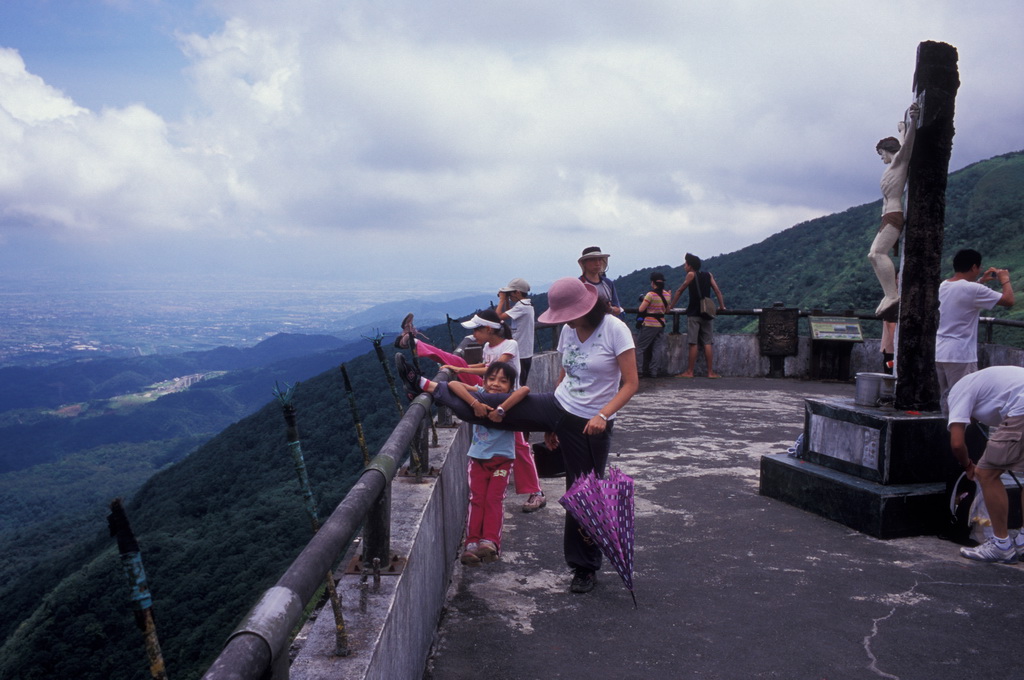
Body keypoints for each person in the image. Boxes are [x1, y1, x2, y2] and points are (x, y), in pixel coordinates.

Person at [398, 277, 638, 594]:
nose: (564, 319)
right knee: (494, 405)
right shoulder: (568, 330)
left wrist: (603, 415)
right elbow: (564, 375)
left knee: (584, 494)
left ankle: (584, 568)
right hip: (559, 405)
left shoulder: (614, 330)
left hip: (592, 423)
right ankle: (428, 386)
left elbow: (632, 383)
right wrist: (551, 423)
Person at [396, 309, 546, 512]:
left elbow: (492, 370)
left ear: (488, 329)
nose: (474, 335)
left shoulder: (510, 345)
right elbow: (484, 365)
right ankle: (415, 349)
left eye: (477, 330)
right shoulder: (487, 346)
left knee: (519, 445)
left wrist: (461, 370)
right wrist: (454, 367)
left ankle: (536, 492)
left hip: (509, 401)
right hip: (488, 393)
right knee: (456, 363)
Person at [433, 361, 531, 566]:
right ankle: (472, 544)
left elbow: (525, 389)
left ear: (510, 386)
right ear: (484, 381)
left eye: (503, 381)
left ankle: (490, 542)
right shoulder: (479, 393)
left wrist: (502, 410)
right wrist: (474, 403)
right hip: (477, 460)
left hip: (502, 461)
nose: (496, 384)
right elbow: (453, 385)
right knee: (476, 499)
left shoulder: (510, 399)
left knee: (493, 499)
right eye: (491, 379)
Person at [946, 365, 1024, 563]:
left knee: (986, 473)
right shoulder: (980, 384)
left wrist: (968, 466)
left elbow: (956, 443)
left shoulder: (957, 393)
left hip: (1021, 407)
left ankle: (1001, 545)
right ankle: (1023, 541)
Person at [935, 249, 1015, 415]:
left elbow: (963, 293)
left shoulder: (944, 285)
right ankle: (961, 438)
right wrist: (1005, 280)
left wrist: (981, 281)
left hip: (939, 351)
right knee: (965, 402)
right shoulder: (973, 290)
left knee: (944, 400)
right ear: (973, 267)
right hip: (961, 354)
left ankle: (945, 436)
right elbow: (1008, 300)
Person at [868, 102, 920, 320]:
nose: (882, 158)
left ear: (888, 151)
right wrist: (902, 129)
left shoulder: (898, 162)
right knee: (873, 255)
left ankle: (892, 295)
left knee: (877, 253)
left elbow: (906, 148)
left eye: (882, 153)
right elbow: (902, 145)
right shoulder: (893, 166)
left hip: (894, 214)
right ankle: (888, 294)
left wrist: (913, 123)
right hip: (887, 216)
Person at [669, 253, 726, 379]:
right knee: (707, 343)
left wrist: (670, 306)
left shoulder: (691, 275)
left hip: (694, 313)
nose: (684, 266)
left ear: (690, 265)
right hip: (707, 312)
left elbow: (680, 290)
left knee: (693, 343)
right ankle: (710, 372)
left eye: (686, 264)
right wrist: (722, 307)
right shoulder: (708, 275)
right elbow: (717, 290)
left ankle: (690, 372)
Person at [495, 277, 535, 386]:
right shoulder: (525, 305)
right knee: (519, 383)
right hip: (524, 352)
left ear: (517, 293)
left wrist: (502, 300)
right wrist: (507, 300)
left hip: (521, 353)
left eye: (510, 293)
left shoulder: (522, 307)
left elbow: (498, 317)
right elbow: (509, 314)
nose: (510, 296)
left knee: (517, 385)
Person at [635, 271, 670, 378]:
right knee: (657, 348)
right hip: (660, 325)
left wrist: (644, 299)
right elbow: (667, 310)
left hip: (649, 324)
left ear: (653, 283)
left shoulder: (650, 295)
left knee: (640, 348)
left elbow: (641, 308)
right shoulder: (667, 295)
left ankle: (639, 371)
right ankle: (654, 372)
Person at [578, 246, 623, 316]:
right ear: (584, 263)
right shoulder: (579, 284)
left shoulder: (608, 283)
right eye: (593, 260)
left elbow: (617, 309)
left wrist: (610, 309)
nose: (597, 263)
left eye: (599, 259)